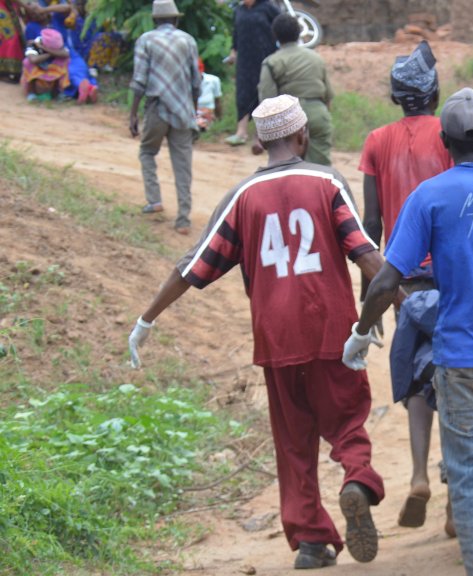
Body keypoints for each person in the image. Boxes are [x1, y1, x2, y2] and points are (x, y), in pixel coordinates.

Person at [127, 94, 385, 571]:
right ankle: (357, 480)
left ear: (261, 144)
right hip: (332, 327)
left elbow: (194, 266)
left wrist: (147, 319)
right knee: (346, 418)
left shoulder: (243, 198)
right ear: (302, 134)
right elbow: (366, 253)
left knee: (293, 439)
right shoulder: (326, 181)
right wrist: (405, 307)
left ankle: (310, 542)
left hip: (275, 337)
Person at [344, 87, 473, 576]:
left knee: (468, 479)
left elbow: (387, 280)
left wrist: (362, 329)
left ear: (445, 141)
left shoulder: (429, 198)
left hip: (462, 361)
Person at [356, 39, 453, 531]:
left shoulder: (376, 140)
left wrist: (367, 294)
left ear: (396, 98)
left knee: (418, 374)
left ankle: (418, 474)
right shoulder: (451, 134)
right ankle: (458, 483)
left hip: (401, 280)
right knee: (457, 373)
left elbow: (369, 226)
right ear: (435, 92)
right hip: (456, 276)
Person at [129, 0, 201, 236]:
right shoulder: (187, 40)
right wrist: (194, 110)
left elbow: (139, 81)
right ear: (176, 19)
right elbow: (195, 81)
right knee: (183, 165)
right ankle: (183, 219)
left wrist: (132, 114)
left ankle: (155, 199)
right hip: (182, 111)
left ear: (154, 20)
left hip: (157, 108)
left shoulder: (146, 40)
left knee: (147, 152)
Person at [258, 12, 333, 165]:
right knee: (321, 167)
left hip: (289, 118)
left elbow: (267, 101)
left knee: (288, 167)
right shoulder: (316, 58)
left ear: (275, 35)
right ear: (299, 32)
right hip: (318, 113)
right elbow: (328, 95)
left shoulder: (271, 62)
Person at [224, 0, 279, 146]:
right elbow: (236, 33)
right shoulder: (239, 10)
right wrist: (233, 52)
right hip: (245, 61)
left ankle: (262, 135)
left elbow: (282, 27)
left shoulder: (268, 8)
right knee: (243, 94)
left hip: (266, 58)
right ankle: (241, 133)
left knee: (264, 94)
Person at [23, 0, 97, 102]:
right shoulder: (31, 27)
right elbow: (33, 51)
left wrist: (44, 10)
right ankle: (84, 89)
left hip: (68, 52)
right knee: (69, 72)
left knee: (79, 67)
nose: (37, 14)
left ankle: (88, 89)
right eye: (33, 13)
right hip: (49, 58)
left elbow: (67, 8)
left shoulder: (56, 18)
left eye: (37, 9)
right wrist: (48, 51)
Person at [21, 26, 68, 101]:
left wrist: (46, 49)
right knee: (27, 62)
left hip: (51, 68)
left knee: (64, 60)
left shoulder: (56, 42)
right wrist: (51, 53)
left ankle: (57, 93)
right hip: (38, 69)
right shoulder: (33, 45)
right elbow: (34, 60)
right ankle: (31, 93)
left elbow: (66, 54)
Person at [0, 0, 26, 82]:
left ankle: (11, 71)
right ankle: (5, 71)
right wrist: (27, 7)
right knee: (10, 38)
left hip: (9, 5)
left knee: (14, 37)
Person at [196, 58, 222, 131]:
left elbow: (218, 101)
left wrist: (219, 118)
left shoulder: (213, 80)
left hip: (208, 115)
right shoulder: (185, 82)